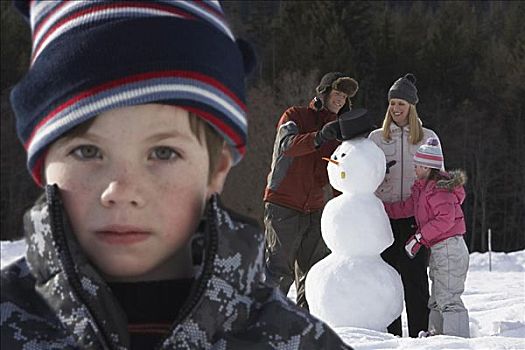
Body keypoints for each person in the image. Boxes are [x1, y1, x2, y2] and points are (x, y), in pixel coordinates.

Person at [0, 2, 352, 349]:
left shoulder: (294, 341)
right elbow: (291, 146)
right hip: (286, 206)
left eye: (163, 152)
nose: (122, 190)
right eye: (87, 151)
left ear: (217, 168)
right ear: (42, 162)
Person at [263, 72, 359, 309]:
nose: (340, 100)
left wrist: (347, 206)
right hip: (283, 205)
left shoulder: (338, 134)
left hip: (314, 209)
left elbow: (339, 175)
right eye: (337, 94)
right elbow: (287, 146)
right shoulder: (294, 115)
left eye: (344, 97)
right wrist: (319, 136)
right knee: (279, 270)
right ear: (324, 93)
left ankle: (305, 327)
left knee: (314, 274)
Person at [368, 73, 442, 337]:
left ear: (412, 107)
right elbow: (367, 177)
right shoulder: (376, 138)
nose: (396, 108)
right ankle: (390, 336)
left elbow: (438, 181)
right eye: (392, 103)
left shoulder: (428, 137)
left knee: (415, 278)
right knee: (387, 279)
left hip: (415, 219)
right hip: (384, 218)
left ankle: (420, 333)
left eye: (401, 103)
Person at [383, 138, 470, 338]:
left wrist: (419, 237)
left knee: (448, 298)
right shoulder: (422, 190)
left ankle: (456, 341)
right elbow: (404, 208)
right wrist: (379, 208)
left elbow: (445, 220)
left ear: (427, 167)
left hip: (450, 247)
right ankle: (439, 338)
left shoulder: (440, 190)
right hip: (439, 249)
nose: (414, 168)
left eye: (417, 165)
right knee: (437, 299)